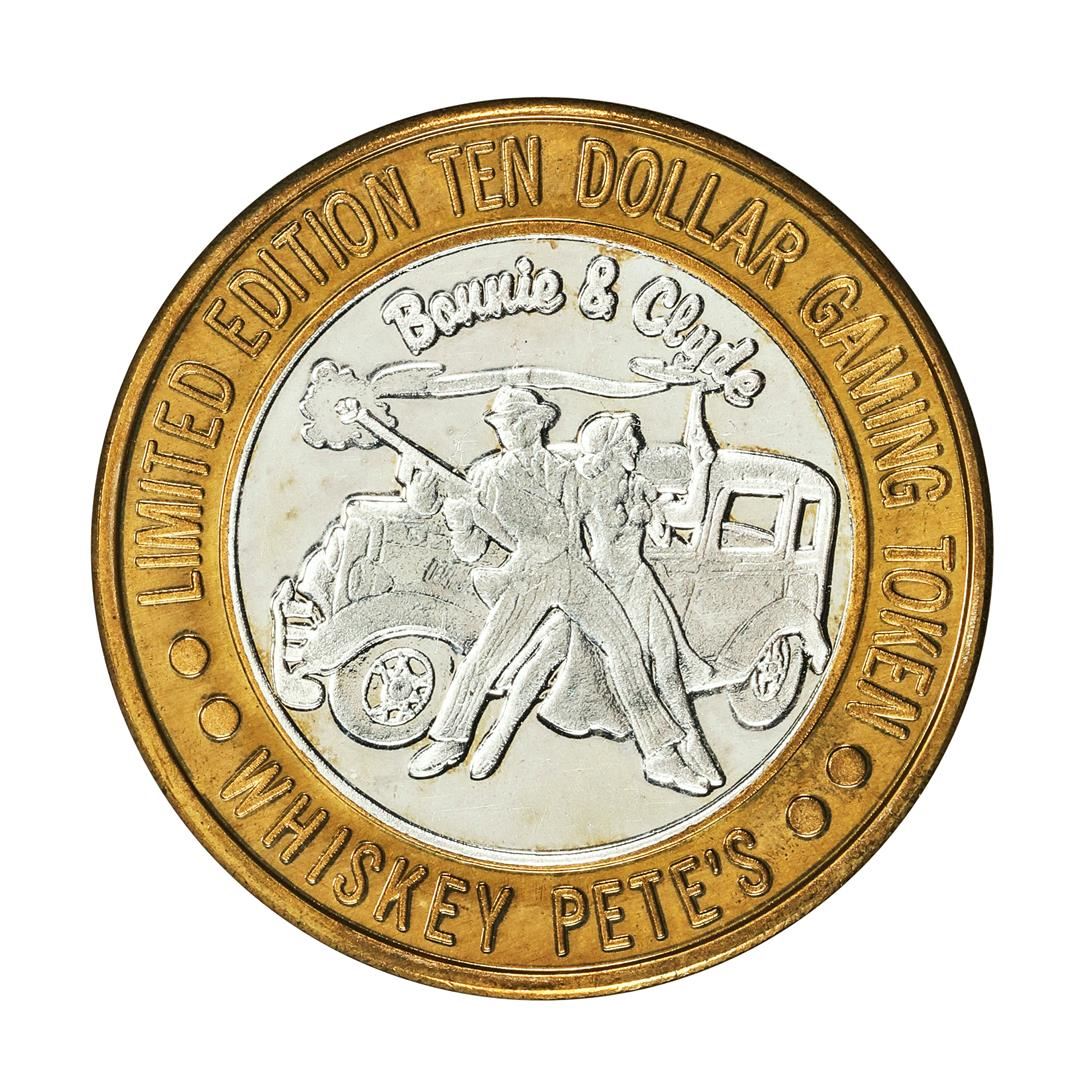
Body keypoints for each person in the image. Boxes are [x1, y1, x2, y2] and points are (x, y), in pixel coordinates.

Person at [407, 385, 710, 796]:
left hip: (574, 572)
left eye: (516, 421)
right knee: (487, 655)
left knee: (626, 648)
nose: (508, 430)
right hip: (530, 575)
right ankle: (449, 740)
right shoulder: (486, 476)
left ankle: (660, 756)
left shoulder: (567, 472)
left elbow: (599, 509)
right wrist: (445, 510)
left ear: (538, 423)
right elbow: (471, 549)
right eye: (502, 424)